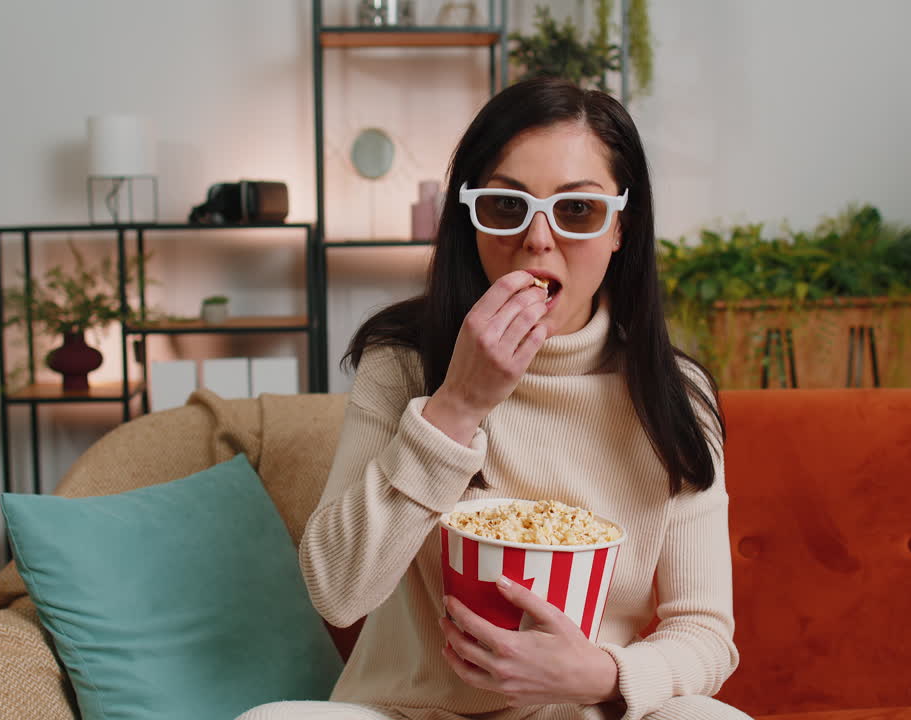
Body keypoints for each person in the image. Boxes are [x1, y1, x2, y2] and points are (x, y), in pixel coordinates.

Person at [239, 77, 751, 720]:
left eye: (578, 211)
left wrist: (601, 674)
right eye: (507, 207)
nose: (539, 240)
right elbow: (339, 592)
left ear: (621, 228)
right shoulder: (402, 362)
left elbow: (706, 635)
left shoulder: (676, 397)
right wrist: (456, 403)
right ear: (471, 222)